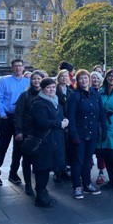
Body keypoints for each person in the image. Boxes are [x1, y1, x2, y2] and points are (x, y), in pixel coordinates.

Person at [67, 69, 106, 199]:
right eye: (81, 78)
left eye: (86, 78)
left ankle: (87, 184)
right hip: (79, 133)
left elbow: (101, 114)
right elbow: (70, 117)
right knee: (77, 161)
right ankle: (77, 186)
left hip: (93, 132)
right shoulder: (74, 95)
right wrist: (74, 135)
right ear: (77, 81)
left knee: (88, 160)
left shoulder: (96, 94)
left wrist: (104, 129)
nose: (84, 81)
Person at [30, 78, 69, 207]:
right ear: (43, 89)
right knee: (42, 169)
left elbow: (59, 117)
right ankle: (40, 197)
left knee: (47, 168)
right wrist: (59, 124)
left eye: (53, 87)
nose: (52, 90)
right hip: (44, 141)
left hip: (55, 140)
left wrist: (64, 121)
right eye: (48, 87)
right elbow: (41, 122)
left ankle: (44, 193)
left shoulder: (56, 102)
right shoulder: (39, 103)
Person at [0, 59, 30, 186]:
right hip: (7, 118)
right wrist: (2, 114)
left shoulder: (28, 82)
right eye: (15, 66)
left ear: (23, 67)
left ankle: (13, 173)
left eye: (20, 66)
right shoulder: (4, 81)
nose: (18, 68)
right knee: (2, 147)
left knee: (18, 149)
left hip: (21, 119)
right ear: (12, 68)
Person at [14, 70, 47, 196]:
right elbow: (18, 114)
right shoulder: (24, 95)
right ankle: (28, 184)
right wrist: (19, 131)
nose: (36, 81)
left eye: (39, 79)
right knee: (27, 160)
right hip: (27, 132)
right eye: (34, 79)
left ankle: (40, 186)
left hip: (42, 133)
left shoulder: (45, 94)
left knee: (40, 160)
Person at [55, 69, 73, 183]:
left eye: (66, 76)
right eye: (62, 76)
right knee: (58, 148)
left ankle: (64, 169)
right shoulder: (54, 89)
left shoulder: (71, 90)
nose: (64, 78)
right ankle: (57, 172)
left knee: (67, 148)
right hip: (58, 121)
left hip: (69, 121)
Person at [89, 71, 107, 185]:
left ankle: (101, 172)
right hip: (90, 124)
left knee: (101, 151)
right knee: (89, 150)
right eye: (93, 78)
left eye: (97, 78)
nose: (95, 80)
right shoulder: (88, 91)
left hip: (101, 124)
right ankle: (88, 171)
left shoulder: (104, 92)